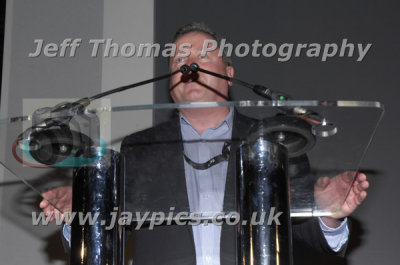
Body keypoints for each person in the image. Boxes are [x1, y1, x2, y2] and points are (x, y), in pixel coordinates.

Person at [40, 22, 369, 265]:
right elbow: (113, 234)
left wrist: (328, 212)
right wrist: (82, 215)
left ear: (228, 73)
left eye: (202, 57)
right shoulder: (139, 148)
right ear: (170, 84)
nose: (189, 66)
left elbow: (303, 233)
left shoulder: (274, 142)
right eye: (178, 62)